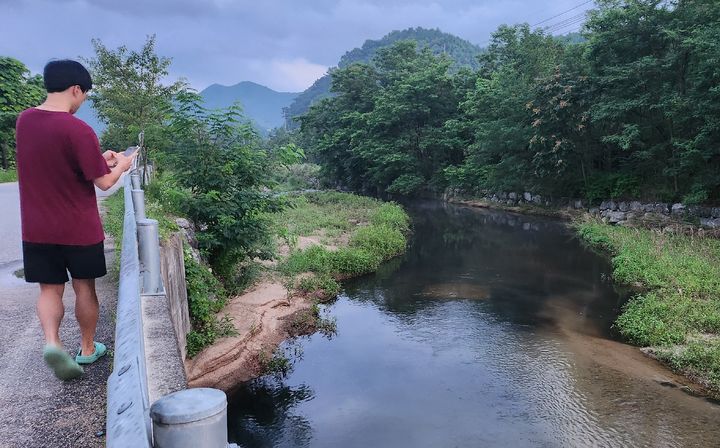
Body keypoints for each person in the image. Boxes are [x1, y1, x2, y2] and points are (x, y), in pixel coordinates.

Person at [15, 59, 136, 380]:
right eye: (84, 96)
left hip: (37, 229)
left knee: (50, 291)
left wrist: (101, 157)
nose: (82, 102)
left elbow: (58, 162)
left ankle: (53, 342)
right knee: (84, 289)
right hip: (79, 229)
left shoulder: (25, 121)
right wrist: (122, 164)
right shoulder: (78, 129)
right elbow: (105, 183)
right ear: (75, 89)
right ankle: (86, 348)